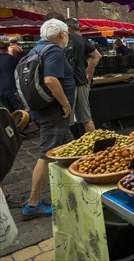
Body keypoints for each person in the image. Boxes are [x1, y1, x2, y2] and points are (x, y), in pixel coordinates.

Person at [23, 19, 75, 220]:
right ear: (61, 34)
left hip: (45, 111)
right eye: (67, 33)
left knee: (70, 149)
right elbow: (50, 80)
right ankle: (33, 203)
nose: (67, 37)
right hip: (53, 112)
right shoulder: (54, 51)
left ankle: (74, 191)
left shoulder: (36, 50)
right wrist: (65, 104)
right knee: (46, 154)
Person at [64, 18, 101, 133]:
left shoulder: (66, 39)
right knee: (86, 119)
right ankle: (93, 143)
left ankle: (69, 148)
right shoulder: (82, 40)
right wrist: (87, 72)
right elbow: (97, 56)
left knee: (67, 121)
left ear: (67, 28)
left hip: (69, 83)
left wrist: (86, 71)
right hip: (82, 81)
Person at [0, 42, 23, 113]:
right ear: (6, 49)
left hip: (0, 91)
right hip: (12, 89)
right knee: (20, 113)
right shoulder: (12, 59)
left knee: (8, 114)